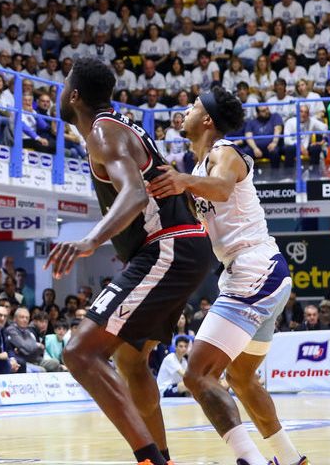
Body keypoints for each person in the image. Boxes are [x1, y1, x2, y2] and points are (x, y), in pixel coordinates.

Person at [44, 57, 214, 465]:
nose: (61, 92)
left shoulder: (103, 132)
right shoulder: (116, 127)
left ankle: (149, 460)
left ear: (75, 95)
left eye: (65, 85)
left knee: (79, 352)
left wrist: (90, 239)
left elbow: (135, 194)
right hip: (180, 246)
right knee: (130, 360)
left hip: (168, 246)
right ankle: (165, 458)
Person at [146, 87, 308, 465]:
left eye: (194, 105)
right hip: (258, 275)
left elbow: (220, 189)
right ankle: (290, 459)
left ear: (207, 119)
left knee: (197, 374)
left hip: (255, 269)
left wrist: (181, 181)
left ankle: (248, 460)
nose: (185, 109)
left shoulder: (225, 151)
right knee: (241, 378)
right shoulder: (199, 165)